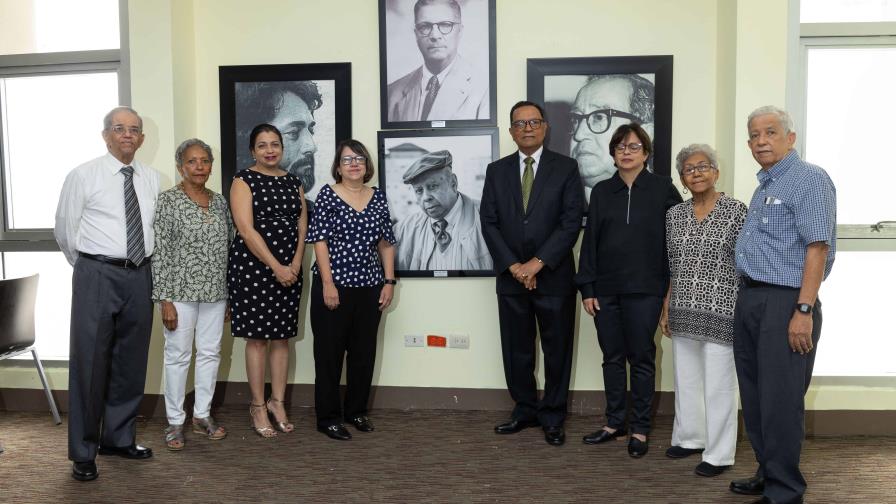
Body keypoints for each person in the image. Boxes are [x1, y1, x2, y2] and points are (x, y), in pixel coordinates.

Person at [729, 106, 836, 504]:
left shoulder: (808, 180)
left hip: (786, 302)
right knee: (755, 397)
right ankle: (767, 470)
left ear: (790, 138)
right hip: (753, 297)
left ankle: (785, 490)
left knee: (780, 399)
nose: (760, 141)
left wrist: (803, 310)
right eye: (754, 135)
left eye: (770, 132)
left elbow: (817, 248)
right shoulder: (765, 186)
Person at [55, 106, 161, 481]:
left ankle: (118, 438)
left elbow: (152, 231)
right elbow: (66, 231)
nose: (127, 135)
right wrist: (91, 268)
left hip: (140, 275)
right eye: (119, 128)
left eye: (134, 129)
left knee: (131, 364)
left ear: (142, 139)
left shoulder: (152, 178)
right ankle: (83, 451)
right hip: (97, 273)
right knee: (90, 364)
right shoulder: (83, 175)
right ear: (106, 135)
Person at [480, 101, 583, 446]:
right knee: (516, 349)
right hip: (511, 278)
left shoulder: (566, 168)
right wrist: (513, 266)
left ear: (545, 127)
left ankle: (553, 415)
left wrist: (537, 263)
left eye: (533, 121)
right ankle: (524, 409)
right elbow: (489, 222)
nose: (526, 128)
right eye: (519, 123)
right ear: (511, 131)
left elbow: (571, 222)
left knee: (557, 350)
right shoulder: (497, 171)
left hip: (553, 276)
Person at [576, 123, 682, 458]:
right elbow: (589, 243)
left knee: (641, 358)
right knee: (611, 358)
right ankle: (614, 423)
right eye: (620, 146)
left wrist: (670, 288)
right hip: (606, 290)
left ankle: (639, 429)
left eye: (633, 146)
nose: (626, 151)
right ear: (613, 153)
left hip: (646, 290)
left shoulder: (663, 188)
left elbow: (677, 239)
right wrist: (587, 288)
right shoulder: (602, 192)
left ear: (646, 153)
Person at [659, 144, 747, 477]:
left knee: (719, 383)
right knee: (687, 379)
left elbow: (746, 262)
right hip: (682, 306)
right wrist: (667, 304)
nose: (696, 173)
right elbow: (672, 265)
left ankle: (719, 454)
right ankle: (690, 436)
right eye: (688, 169)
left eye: (703, 166)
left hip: (722, 307)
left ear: (716, 172)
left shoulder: (736, 210)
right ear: (682, 178)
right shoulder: (674, 215)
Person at [306, 139, 397, 441]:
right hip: (335, 286)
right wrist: (329, 284)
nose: (354, 164)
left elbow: (386, 242)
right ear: (338, 167)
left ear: (367, 165)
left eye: (359, 158)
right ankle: (328, 418)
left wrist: (389, 281)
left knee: (363, 354)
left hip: (370, 288)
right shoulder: (328, 195)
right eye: (347, 160)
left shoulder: (378, 197)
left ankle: (356, 411)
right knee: (329, 355)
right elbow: (319, 241)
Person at [228, 123, 307, 438]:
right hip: (254, 269)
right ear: (253, 150)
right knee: (257, 339)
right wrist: (276, 266)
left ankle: (278, 402)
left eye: (275, 144)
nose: (270, 150)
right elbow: (246, 230)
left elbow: (302, 226)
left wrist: (296, 263)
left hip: (290, 269)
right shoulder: (243, 181)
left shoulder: (294, 181)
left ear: (282, 148)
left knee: (282, 338)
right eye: (262, 145)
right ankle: (258, 405)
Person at [152, 138, 232, 451]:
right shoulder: (168, 201)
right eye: (191, 162)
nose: (199, 167)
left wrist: (229, 295)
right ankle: (174, 421)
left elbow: (228, 249)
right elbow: (160, 251)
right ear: (180, 166)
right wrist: (164, 299)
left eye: (204, 161)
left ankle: (201, 415)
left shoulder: (220, 201)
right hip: (179, 293)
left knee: (211, 354)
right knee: (178, 356)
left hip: (216, 293)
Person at [386, 0, 488, 122]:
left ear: (460, 31)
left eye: (445, 25)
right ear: (416, 34)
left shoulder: (483, 89)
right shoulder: (392, 93)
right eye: (425, 26)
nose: (434, 35)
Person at [394, 150, 492, 271]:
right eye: (419, 190)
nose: (426, 197)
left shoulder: (489, 217)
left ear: (453, 183)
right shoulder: (403, 230)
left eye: (433, 186)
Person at [569, 74, 655, 204]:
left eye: (599, 117)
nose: (579, 134)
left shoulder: (662, 196)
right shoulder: (555, 199)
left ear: (645, 135)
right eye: (576, 119)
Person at [236, 81, 321, 198]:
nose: (312, 146)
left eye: (310, 130)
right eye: (293, 132)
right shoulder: (241, 192)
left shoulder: (304, 201)